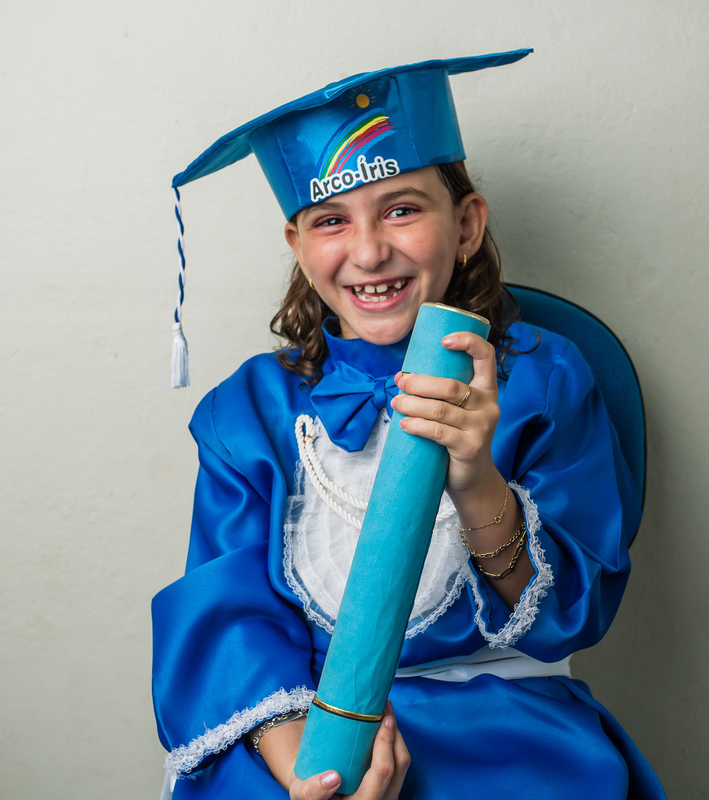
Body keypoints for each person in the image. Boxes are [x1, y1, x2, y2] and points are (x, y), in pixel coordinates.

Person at [152, 50, 666, 800]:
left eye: (401, 209)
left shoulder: (546, 377)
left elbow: (571, 615)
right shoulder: (249, 411)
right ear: (298, 247)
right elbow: (230, 615)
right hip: (304, 725)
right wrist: (311, 769)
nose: (368, 251)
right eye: (331, 221)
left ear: (465, 224)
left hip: (501, 727)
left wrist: (477, 478)